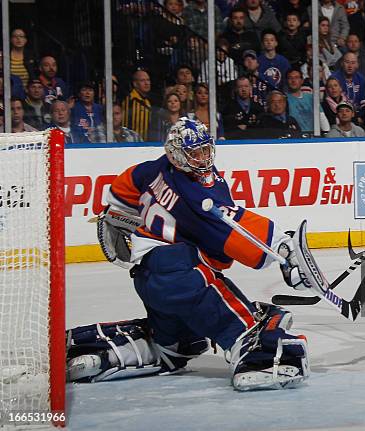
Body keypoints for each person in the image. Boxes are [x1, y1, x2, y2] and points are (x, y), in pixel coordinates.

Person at [66, 118, 325, 391]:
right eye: (194, 153)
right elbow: (235, 229)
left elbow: (125, 185)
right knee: (241, 323)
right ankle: (266, 357)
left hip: (147, 275)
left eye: (204, 150)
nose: (202, 158)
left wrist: (116, 210)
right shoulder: (198, 196)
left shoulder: (157, 168)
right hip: (181, 272)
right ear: (177, 153)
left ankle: (143, 346)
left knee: (175, 340)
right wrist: (283, 251)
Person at [286, 69, 330, 133]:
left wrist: (327, 134)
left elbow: (321, 116)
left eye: (296, 78)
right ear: (286, 81)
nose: (293, 80)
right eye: (290, 78)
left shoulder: (311, 97)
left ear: (302, 81)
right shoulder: (283, 99)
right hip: (295, 137)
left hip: (312, 136)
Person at [122, 69, 154, 141]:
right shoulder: (129, 101)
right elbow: (124, 126)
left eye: (148, 80)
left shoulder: (148, 101)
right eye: (142, 80)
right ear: (135, 84)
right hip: (133, 143)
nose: (147, 83)